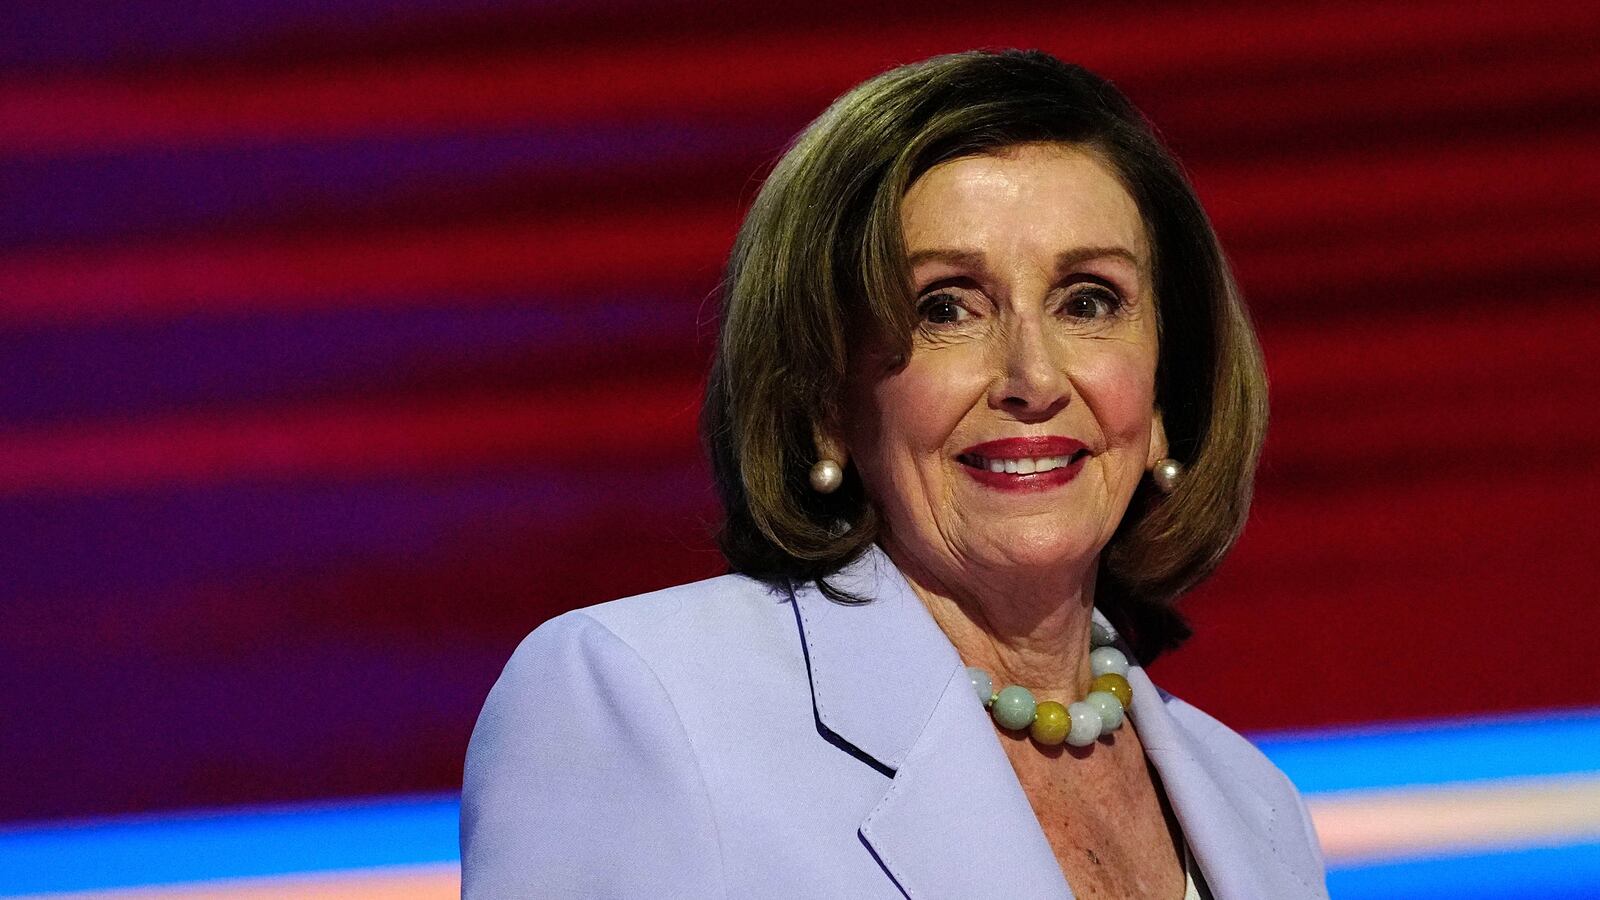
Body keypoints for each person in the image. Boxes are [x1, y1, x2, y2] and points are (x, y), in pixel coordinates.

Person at [461, 49, 1328, 899]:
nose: (1034, 379)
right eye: (945, 306)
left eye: (1088, 301)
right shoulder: (640, 704)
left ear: (1163, 390)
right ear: (825, 396)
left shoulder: (1254, 805)